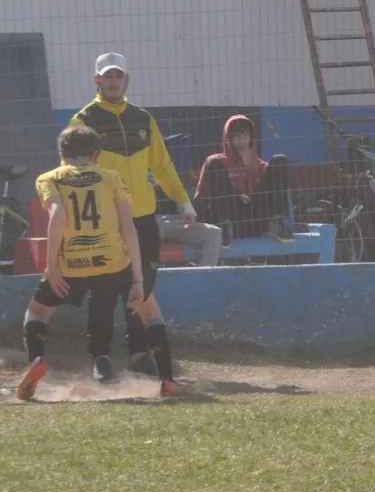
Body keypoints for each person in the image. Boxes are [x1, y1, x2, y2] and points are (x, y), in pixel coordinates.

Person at [16, 125, 181, 400]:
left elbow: (57, 218)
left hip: (72, 265)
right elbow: (128, 228)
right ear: (96, 154)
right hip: (113, 263)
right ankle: (166, 380)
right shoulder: (111, 177)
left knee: (37, 312)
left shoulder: (50, 178)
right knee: (150, 312)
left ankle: (36, 360)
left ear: (62, 154)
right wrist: (138, 279)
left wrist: (52, 267)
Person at [72, 52, 195, 378]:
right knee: (103, 288)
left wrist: (183, 200)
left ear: (127, 79)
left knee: (143, 285)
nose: (113, 82)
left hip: (142, 217)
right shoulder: (83, 121)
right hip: (104, 221)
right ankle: (100, 357)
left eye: (119, 76)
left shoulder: (144, 119)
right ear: (96, 79)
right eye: (107, 76)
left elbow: (163, 166)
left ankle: (139, 352)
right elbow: (71, 172)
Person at [193, 114, 295, 246]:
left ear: (251, 137)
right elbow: (201, 198)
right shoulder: (218, 161)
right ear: (228, 138)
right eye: (236, 135)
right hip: (231, 218)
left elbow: (271, 189)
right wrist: (234, 195)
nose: (241, 139)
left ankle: (276, 223)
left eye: (245, 134)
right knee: (214, 162)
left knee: (280, 161)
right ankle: (223, 227)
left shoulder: (260, 165)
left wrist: (249, 166)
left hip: (256, 220)